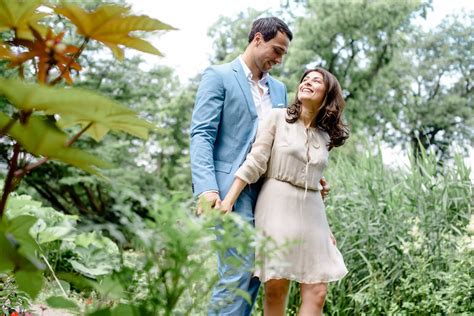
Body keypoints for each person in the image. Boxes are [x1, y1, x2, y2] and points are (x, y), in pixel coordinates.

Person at [220, 67, 349, 315]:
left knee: (318, 290)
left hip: (314, 214)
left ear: (327, 95)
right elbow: (256, 161)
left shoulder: (324, 136)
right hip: (277, 205)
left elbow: (314, 176)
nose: (307, 83)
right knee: (277, 287)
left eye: (316, 81)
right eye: (305, 79)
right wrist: (228, 200)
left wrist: (327, 228)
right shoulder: (277, 118)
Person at [190, 17, 294, 315]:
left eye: (283, 54)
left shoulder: (280, 90)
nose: (278, 59)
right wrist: (207, 188)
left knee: (253, 275)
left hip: (268, 193)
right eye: (276, 50)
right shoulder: (218, 76)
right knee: (238, 269)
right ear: (258, 39)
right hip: (228, 191)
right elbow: (202, 135)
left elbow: (281, 142)